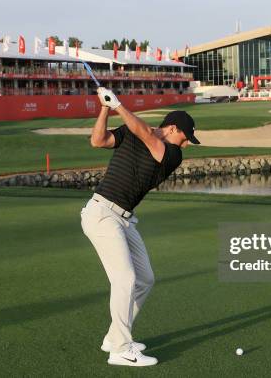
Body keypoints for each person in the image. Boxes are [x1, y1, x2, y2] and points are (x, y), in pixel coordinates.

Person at [80, 87, 199, 367]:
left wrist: (118, 104)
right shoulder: (132, 131)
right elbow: (98, 141)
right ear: (171, 128)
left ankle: (114, 336)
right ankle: (120, 349)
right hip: (101, 213)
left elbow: (146, 134)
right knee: (125, 279)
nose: (186, 144)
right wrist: (105, 108)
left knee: (145, 279)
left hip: (123, 219)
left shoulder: (171, 156)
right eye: (185, 137)